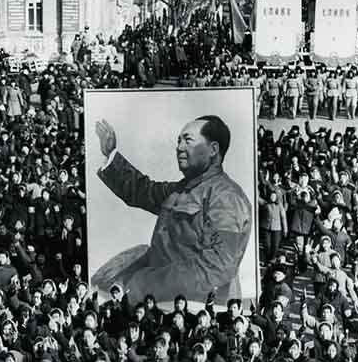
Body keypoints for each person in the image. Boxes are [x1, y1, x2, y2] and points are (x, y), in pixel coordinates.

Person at [91, 115, 253, 302]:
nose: (179, 147)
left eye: (188, 140)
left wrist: (143, 284)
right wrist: (111, 154)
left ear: (213, 149)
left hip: (192, 306)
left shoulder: (226, 198)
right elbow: (143, 191)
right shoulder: (183, 188)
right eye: (178, 141)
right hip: (160, 293)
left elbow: (215, 268)